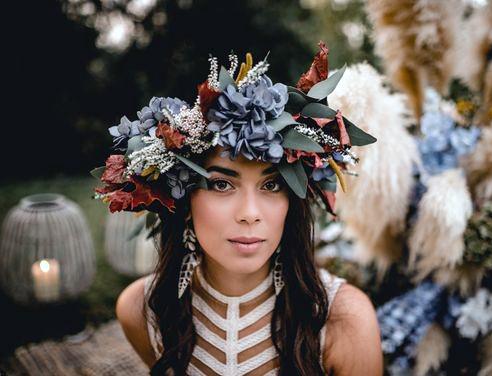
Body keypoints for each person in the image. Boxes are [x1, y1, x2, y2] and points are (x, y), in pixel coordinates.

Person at [95, 43, 382, 375]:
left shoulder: (344, 320)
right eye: (221, 184)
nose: (250, 213)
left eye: (271, 185)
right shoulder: (142, 310)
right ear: (184, 201)